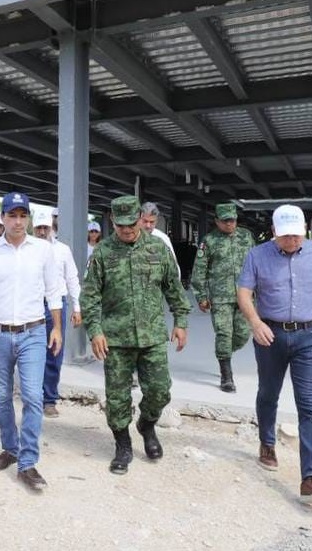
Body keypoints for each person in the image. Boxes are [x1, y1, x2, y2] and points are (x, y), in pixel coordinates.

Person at [236, 204, 312, 505]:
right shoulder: (257, 255)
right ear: (274, 233)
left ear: (304, 230)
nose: (292, 241)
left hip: (310, 336)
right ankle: (267, 443)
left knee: (309, 404)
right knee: (268, 393)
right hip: (271, 335)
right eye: (285, 237)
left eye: (296, 235)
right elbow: (243, 292)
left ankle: (311, 479)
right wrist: (255, 323)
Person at [81, 196, 190, 474]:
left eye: (132, 224)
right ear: (112, 222)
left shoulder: (157, 248)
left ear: (141, 219)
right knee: (117, 398)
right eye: (121, 225)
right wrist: (95, 331)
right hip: (115, 339)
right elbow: (90, 296)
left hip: (152, 336)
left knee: (159, 391)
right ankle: (123, 444)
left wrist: (181, 320)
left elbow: (174, 288)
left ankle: (147, 425)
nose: (127, 230)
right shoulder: (103, 253)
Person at [0, 191, 63, 492]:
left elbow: (54, 291)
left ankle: (28, 462)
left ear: (29, 218)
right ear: (2, 218)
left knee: (32, 396)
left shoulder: (42, 250)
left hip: (33, 332)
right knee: (2, 397)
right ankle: (11, 447)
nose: (18, 221)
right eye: (12, 215)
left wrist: (56, 328)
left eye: (23, 215)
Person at [192, 203, 255, 393]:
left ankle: (224, 353)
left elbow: (256, 263)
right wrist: (201, 295)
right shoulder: (209, 241)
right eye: (225, 221)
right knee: (224, 334)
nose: (230, 224)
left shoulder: (246, 236)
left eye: (233, 220)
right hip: (220, 297)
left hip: (245, 295)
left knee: (243, 334)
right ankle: (226, 376)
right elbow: (199, 270)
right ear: (217, 221)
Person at [32, 212, 81, 418]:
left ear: (51, 228)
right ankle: (33, 396)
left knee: (54, 352)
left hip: (56, 307)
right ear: (33, 229)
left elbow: (72, 278)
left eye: (46, 228)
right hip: (32, 305)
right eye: (38, 228)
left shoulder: (62, 250)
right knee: (32, 351)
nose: (42, 232)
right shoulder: (25, 250)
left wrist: (77, 306)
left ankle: (49, 399)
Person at [138, 202, 179, 277]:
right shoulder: (130, 236)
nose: (148, 225)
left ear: (156, 221)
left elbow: (174, 267)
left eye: (152, 222)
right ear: (139, 219)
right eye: (145, 221)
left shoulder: (162, 238)